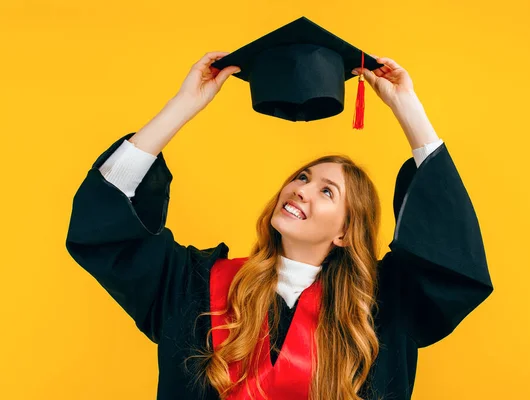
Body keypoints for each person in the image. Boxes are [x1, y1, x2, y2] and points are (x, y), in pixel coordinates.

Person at [66, 51, 493, 400]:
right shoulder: (195, 286)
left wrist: (408, 109)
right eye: (303, 177)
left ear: (345, 232)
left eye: (328, 192)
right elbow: (107, 227)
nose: (301, 190)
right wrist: (182, 106)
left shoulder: (381, 310)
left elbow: (453, 261)